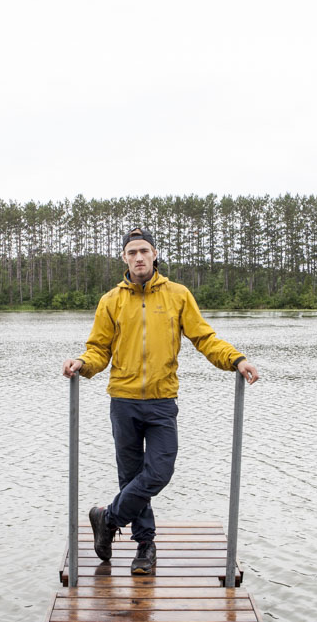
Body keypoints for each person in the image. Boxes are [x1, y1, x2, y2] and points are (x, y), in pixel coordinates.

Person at [61, 227, 259, 575]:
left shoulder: (178, 295)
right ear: (124, 258)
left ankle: (107, 518)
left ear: (155, 255)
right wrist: (83, 363)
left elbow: (205, 338)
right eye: (132, 252)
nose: (138, 257)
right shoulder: (112, 300)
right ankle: (145, 547)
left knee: (159, 471)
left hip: (162, 401)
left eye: (144, 251)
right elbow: (98, 349)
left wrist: (236, 360)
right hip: (122, 401)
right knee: (131, 476)